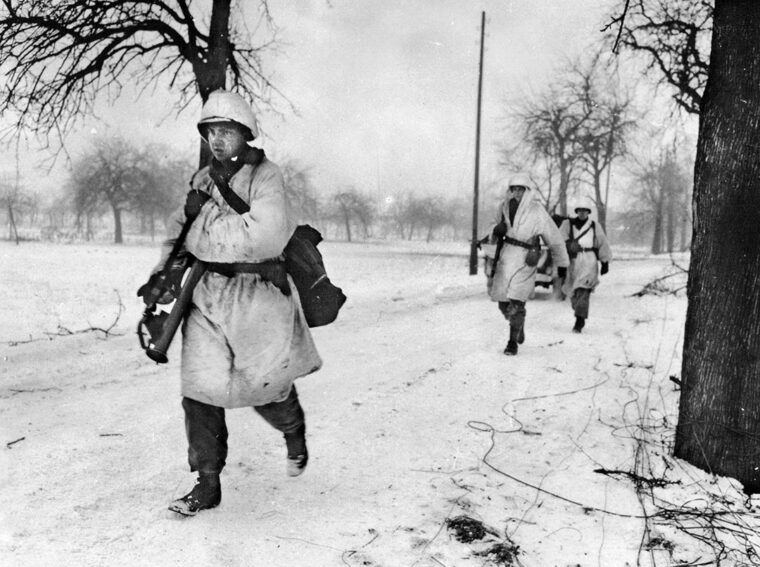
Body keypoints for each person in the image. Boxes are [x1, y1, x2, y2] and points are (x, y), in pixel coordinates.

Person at [138, 90, 322, 516]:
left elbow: (264, 236)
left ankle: (293, 428)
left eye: (226, 131)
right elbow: (180, 234)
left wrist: (206, 228)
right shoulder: (202, 180)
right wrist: (162, 275)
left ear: (245, 133)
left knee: (265, 389)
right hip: (205, 296)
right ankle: (207, 483)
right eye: (211, 132)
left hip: (257, 294)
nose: (218, 140)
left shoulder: (266, 176)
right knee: (199, 391)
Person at [487, 173, 570, 356]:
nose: (517, 193)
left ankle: (512, 342)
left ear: (527, 191)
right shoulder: (502, 207)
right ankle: (518, 323)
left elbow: (554, 238)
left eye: (520, 189)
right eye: (514, 189)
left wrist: (562, 262)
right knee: (503, 303)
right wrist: (495, 229)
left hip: (526, 258)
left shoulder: (537, 210)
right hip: (506, 256)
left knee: (517, 301)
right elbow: (491, 226)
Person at [559, 202, 613, 333]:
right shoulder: (567, 224)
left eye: (585, 210)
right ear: (576, 211)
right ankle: (579, 311)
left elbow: (602, 242)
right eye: (580, 210)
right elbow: (559, 242)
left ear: (588, 212)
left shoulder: (594, 226)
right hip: (573, 260)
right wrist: (561, 262)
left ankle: (579, 320)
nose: (582, 213)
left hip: (589, 259)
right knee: (573, 292)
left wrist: (605, 261)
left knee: (584, 290)